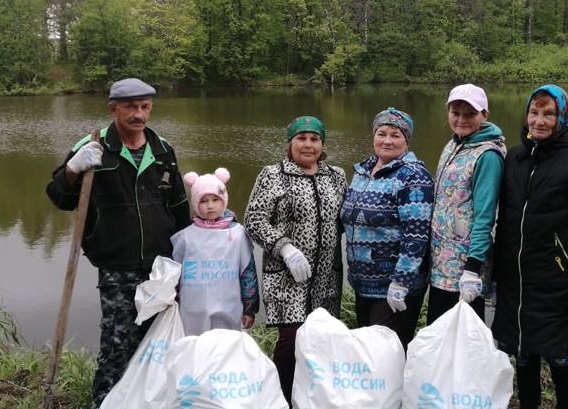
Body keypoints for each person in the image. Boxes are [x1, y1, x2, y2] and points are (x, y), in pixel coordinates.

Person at [45, 77, 189, 409]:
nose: (139, 114)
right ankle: (106, 402)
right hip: (116, 266)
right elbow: (59, 198)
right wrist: (72, 169)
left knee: (159, 342)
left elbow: (179, 208)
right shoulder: (93, 146)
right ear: (113, 108)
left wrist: (189, 252)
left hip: (161, 268)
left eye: (145, 107)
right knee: (117, 345)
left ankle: (151, 401)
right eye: (131, 107)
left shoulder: (163, 150)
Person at [491, 85, 568, 409]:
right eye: (534, 112)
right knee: (524, 355)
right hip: (518, 284)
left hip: (558, 286)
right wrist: (495, 277)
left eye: (549, 114)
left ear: (563, 117)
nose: (540, 121)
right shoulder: (515, 156)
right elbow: (505, 224)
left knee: (562, 359)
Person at [245, 116, 348, 405]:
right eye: (301, 138)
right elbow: (253, 219)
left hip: (327, 276)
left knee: (321, 341)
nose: (308, 144)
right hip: (286, 277)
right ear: (290, 142)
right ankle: (283, 399)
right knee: (290, 341)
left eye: (314, 139)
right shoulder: (272, 174)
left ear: (322, 144)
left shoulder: (336, 176)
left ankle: (316, 399)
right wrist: (284, 247)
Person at [340, 107, 434, 351]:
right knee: (367, 356)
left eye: (396, 135)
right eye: (382, 133)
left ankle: (399, 391)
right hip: (362, 285)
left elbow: (417, 234)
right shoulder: (363, 172)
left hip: (393, 288)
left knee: (386, 356)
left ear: (406, 140)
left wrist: (401, 282)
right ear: (373, 136)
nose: (387, 141)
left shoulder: (413, 177)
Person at [427, 84, 506, 325]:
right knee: (438, 335)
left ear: (485, 115)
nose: (462, 119)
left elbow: (485, 216)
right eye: (455, 112)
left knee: (465, 342)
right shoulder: (453, 145)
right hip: (441, 264)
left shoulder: (487, 155)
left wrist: (473, 268)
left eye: (470, 114)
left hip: (464, 269)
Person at [171, 168, 259, 335]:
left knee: (224, 350)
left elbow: (248, 273)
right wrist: (172, 301)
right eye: (203, 201)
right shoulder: (185, 236)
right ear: (196, 204)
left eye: (215, 200)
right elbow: (174, 274)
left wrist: (249, 308)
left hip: (228, 308)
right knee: (193, 350)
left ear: (224, 201)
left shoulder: (238, 234)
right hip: (191, 309)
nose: (210, 206)